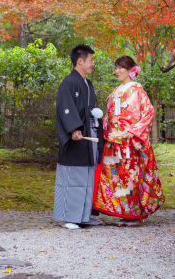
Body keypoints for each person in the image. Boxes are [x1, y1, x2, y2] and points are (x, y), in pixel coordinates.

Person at [93, 55, 165, 226]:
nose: (117, 71)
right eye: (116, 67)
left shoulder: (137, 89)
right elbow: (111, 115)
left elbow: (148, 112)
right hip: (113, 140)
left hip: (130, 141)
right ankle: (124, 212)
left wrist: (135, 132)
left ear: (131, 70)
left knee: (131, 177)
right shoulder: (116, 90)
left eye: (121, 68)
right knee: (116, 178)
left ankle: (135, 215)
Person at [53, 44, 105, 229]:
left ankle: (83, 215)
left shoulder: (87, 84)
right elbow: (65, 108)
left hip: (88, 136)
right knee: (72, 179)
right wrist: (74, 128)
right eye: (91, 60)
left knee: (86, 179)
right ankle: (69, 217)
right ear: (80, 61)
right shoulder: (69, 82)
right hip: (77, 138)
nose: (92, 64)